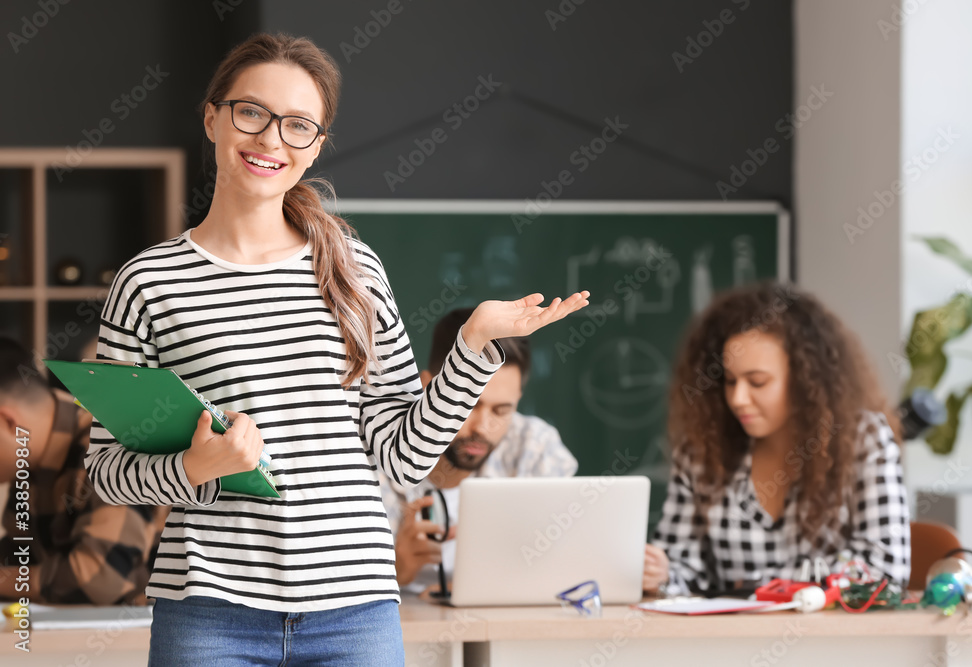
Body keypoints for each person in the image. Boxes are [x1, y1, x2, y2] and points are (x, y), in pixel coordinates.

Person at [84, 32, 588, 666]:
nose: (271, 140)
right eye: (251, 113)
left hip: (354, 615)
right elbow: (106, 472)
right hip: (209, 614)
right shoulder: (149, 282)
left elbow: (403, 460)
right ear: (212, 118)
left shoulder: (353, 270)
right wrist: (195, 469)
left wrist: (473, 344)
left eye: (298, 126)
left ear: (316, 145)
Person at [642, 282, 910, 596]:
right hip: (730, 642)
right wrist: (662, 574)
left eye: (757, 382)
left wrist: (756, 586)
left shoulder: (863, 439)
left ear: (804, 380)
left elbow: (886, 567)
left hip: (834, 642)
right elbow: (686, 569)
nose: (738, 398)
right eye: (730, 381)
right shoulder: (702, 453)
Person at [380, 308, 578, 591]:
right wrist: (395, 572)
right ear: (428, 387)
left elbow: (569, 561)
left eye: (502, 410)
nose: (483, 427)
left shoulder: (534, 446)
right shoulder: (376, 457)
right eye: (469, 405)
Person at [0, 337, 167, 605]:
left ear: (8, 421)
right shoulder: (30, 462)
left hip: (148, 637)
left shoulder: (106, 446)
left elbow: (100, 580)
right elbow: (22, 556)